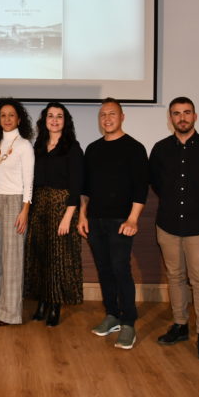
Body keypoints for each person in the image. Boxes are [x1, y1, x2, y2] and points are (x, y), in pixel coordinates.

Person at [149, 97, 199, 361]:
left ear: (195, 116)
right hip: (168, 224)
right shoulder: (160, 149)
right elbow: (156, 184)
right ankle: (180, 325)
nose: (181, 117)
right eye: (176, 113)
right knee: (175, 277)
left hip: (198, 225)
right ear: (170, 118)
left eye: (186, 113)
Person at [78, 98, 148, 349]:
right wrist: (82, 216)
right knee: (104, 269)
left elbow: (141, 189)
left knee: (120, 270)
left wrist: (133, 219)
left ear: (122, 117)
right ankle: (112, 315)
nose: (107, 119)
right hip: (95, 221)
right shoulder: (92, 149)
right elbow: (85, 189)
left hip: (121, 222)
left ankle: (128, 322)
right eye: (103, 115)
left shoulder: (135, 148)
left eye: (112, 114)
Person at [23, 102, 83, 327]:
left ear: (65, 121)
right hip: (39, 206)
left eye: (59, 116)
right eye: (51, 116)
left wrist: (68, 217)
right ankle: (42, 301)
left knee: (59, 258)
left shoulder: (72, 148)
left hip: (62, 207)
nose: (55, 120)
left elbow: (76, 186)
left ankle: (56, 305)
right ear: (44, 120)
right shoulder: (37, 146)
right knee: (40, 256)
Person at [0, 98, 34, 326]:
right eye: (3, 115)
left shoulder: (24, 146)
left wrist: (25, 211)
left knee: (12, 259)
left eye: (11, 115)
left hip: (15, 202)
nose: (7, 119)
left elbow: (28, 181)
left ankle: (10, 313)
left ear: (19, 119)